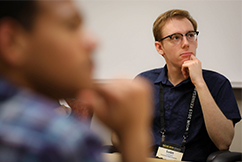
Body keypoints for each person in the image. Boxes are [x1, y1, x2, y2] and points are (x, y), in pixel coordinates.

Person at [0, 1, 152, 162]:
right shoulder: (61, 138)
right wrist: (133, 135)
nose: (93, 42)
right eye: (71, 26)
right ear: (13, 41)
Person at [134, 9, 241, 161]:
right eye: (175, 37)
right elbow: (119, 138)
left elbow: (224, 143)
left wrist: (200, 83)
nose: (186, 44)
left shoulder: (218, 83)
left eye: (190, 35)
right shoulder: (144, 82)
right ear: (160, 48)